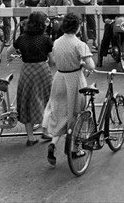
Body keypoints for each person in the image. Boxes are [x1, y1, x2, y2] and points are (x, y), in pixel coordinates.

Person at [44, 13, 95, 167]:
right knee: (77, 113)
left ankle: (53, 142)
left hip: (59, 78)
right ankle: (75, 148)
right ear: (78, 27)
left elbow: (53, 61)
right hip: (74, 79)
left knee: (59, 111)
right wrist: (81, 63)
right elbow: (91, 66)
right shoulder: (79, 44)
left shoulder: (57, 42)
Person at [6, 11, 54, 145]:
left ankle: (30, 137)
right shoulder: (45, 39)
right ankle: (45, 132)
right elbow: (52, 61)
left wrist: (10, 58)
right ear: (41, 24)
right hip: (42, 71)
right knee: (46, 100)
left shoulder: (22, 38)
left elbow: (9, 51)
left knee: (26, 101)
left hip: (27, 70)